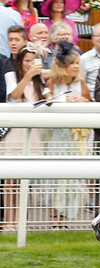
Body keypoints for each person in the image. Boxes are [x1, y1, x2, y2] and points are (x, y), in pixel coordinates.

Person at [3, 44, 50, 228]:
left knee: (24, 181)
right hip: (15, 133)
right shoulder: (13, 76)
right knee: (10, 181)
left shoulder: (40, 81)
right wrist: (29, 75)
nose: (30, 64)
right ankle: (9, 222)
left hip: (33, 134)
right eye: (27, 61)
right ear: (21, 62)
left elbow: (49, 96)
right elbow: (14, 95)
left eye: (33, 61)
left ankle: (21, 222)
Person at [44, 40, 90, 228]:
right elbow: (46, 102)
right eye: (73, 63)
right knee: (55, 177)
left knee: (72, 178)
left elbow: (89, 100)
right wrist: (60, 100)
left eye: (78, 63)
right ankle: (54, 218)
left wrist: (82, 100)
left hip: (75, 137)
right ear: (63, 66)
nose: (76, 67)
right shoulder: (53, 82)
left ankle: (65, 219)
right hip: (57, 136)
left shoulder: (81, 82)